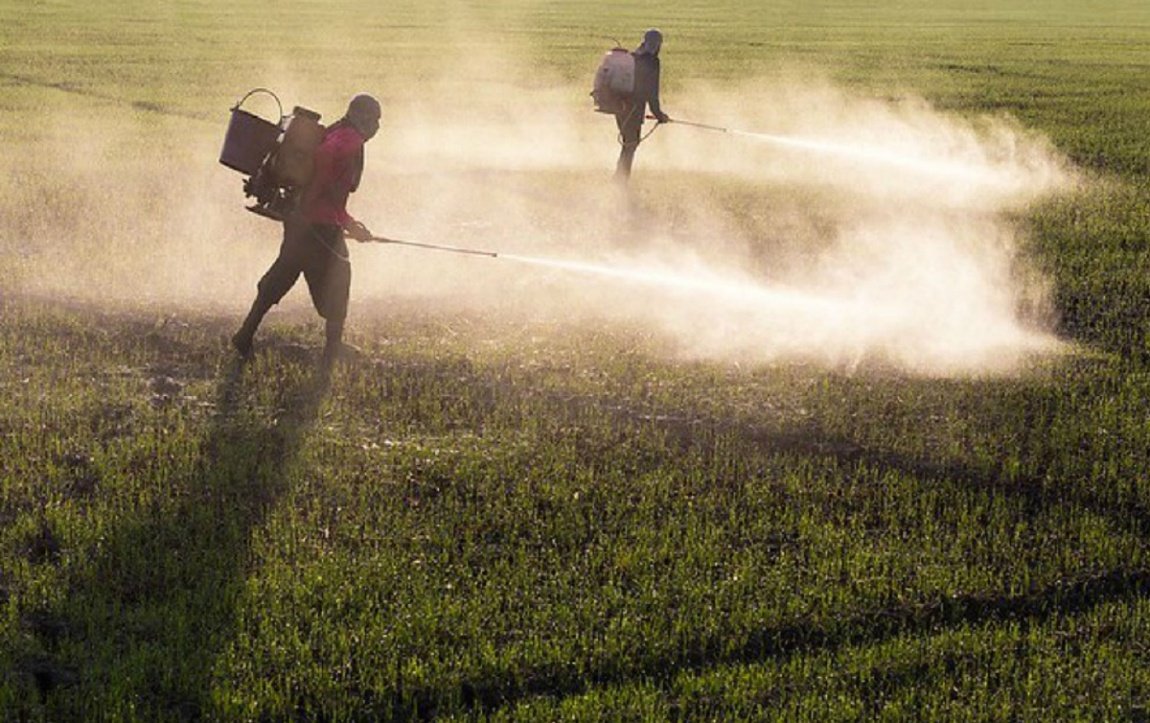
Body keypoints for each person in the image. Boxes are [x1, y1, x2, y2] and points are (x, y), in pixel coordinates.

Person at [232, 93, 381, 366]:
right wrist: (346, 223)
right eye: (375, 120)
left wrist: (306, 210)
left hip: (303, 220)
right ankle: (331, 351)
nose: (377, 127)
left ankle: (245, 334)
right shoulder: (350, 140)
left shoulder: (339, 130)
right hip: (318, 226)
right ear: (364, 118)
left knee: (284, 273)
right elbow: (328, 177)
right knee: (339, 281)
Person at [615, 29, 671, 181]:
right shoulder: (652, 62)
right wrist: (659, 115)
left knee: (629, 143)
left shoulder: (632, 57)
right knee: (631, 144)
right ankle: (620, 180)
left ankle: (620, 178)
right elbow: (652, 93)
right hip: (634, 109)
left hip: (619, 107)